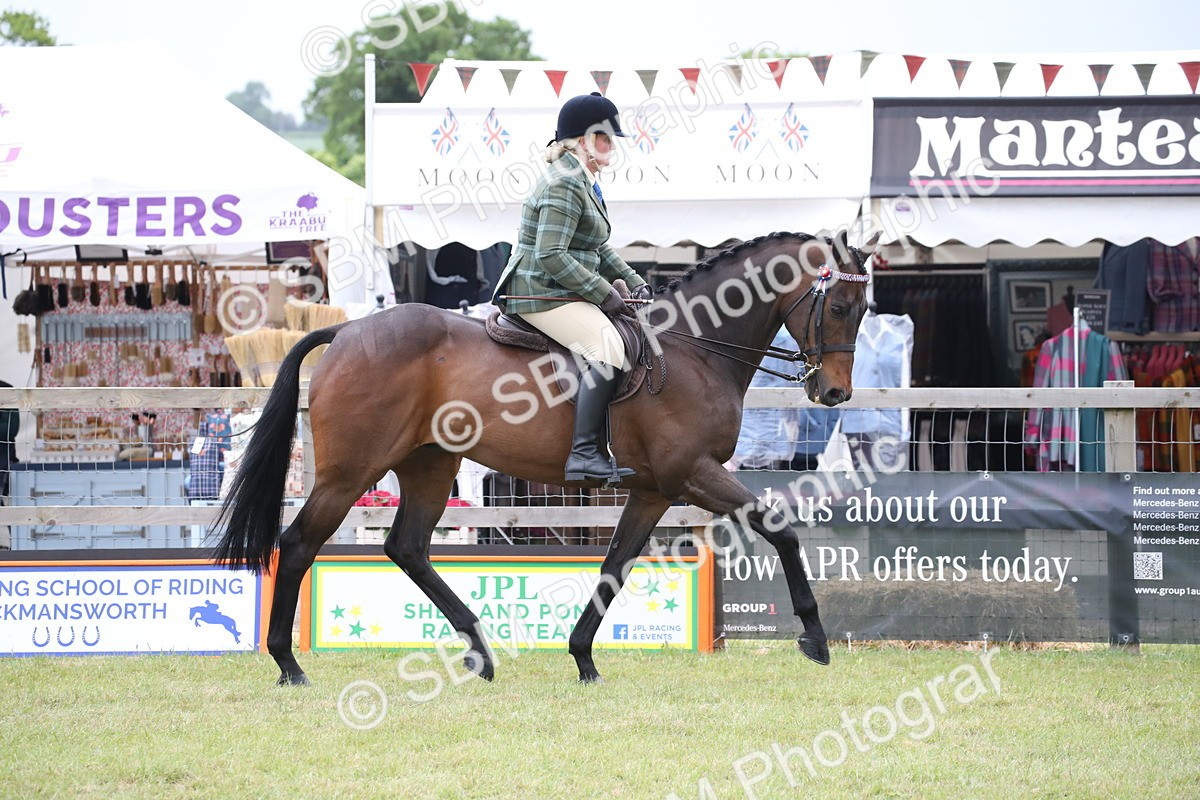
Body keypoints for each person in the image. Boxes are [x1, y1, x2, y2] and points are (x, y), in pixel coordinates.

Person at [492, 92, 650, 483]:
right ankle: (583, 454)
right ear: (581, 141)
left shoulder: (583, 179)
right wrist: (603, 294)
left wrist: (635, 283)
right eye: (604, 138)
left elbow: (594, 247)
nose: (612, 145)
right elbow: (550, 255)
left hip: (559, 288)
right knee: (607, 348)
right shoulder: (564, 182)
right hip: (538, 290)